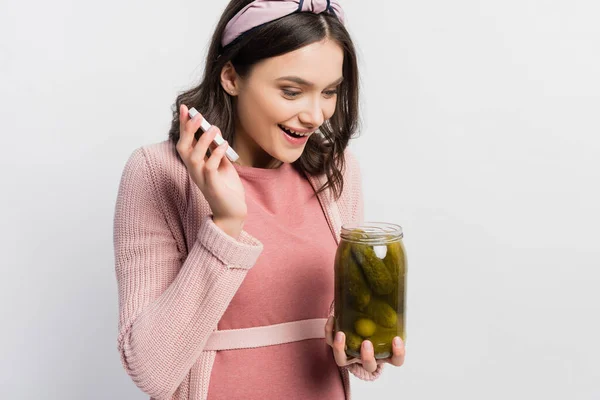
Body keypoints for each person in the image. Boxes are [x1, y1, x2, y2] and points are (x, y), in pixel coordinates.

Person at [113, 0, 406, 398]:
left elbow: (337, 326)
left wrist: (357, 350)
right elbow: (149, 368)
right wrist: (226, 224)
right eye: (291, 91)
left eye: (330, 92)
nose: (315, 115)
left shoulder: (337, 172)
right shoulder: (158, 173)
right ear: (231, 76)